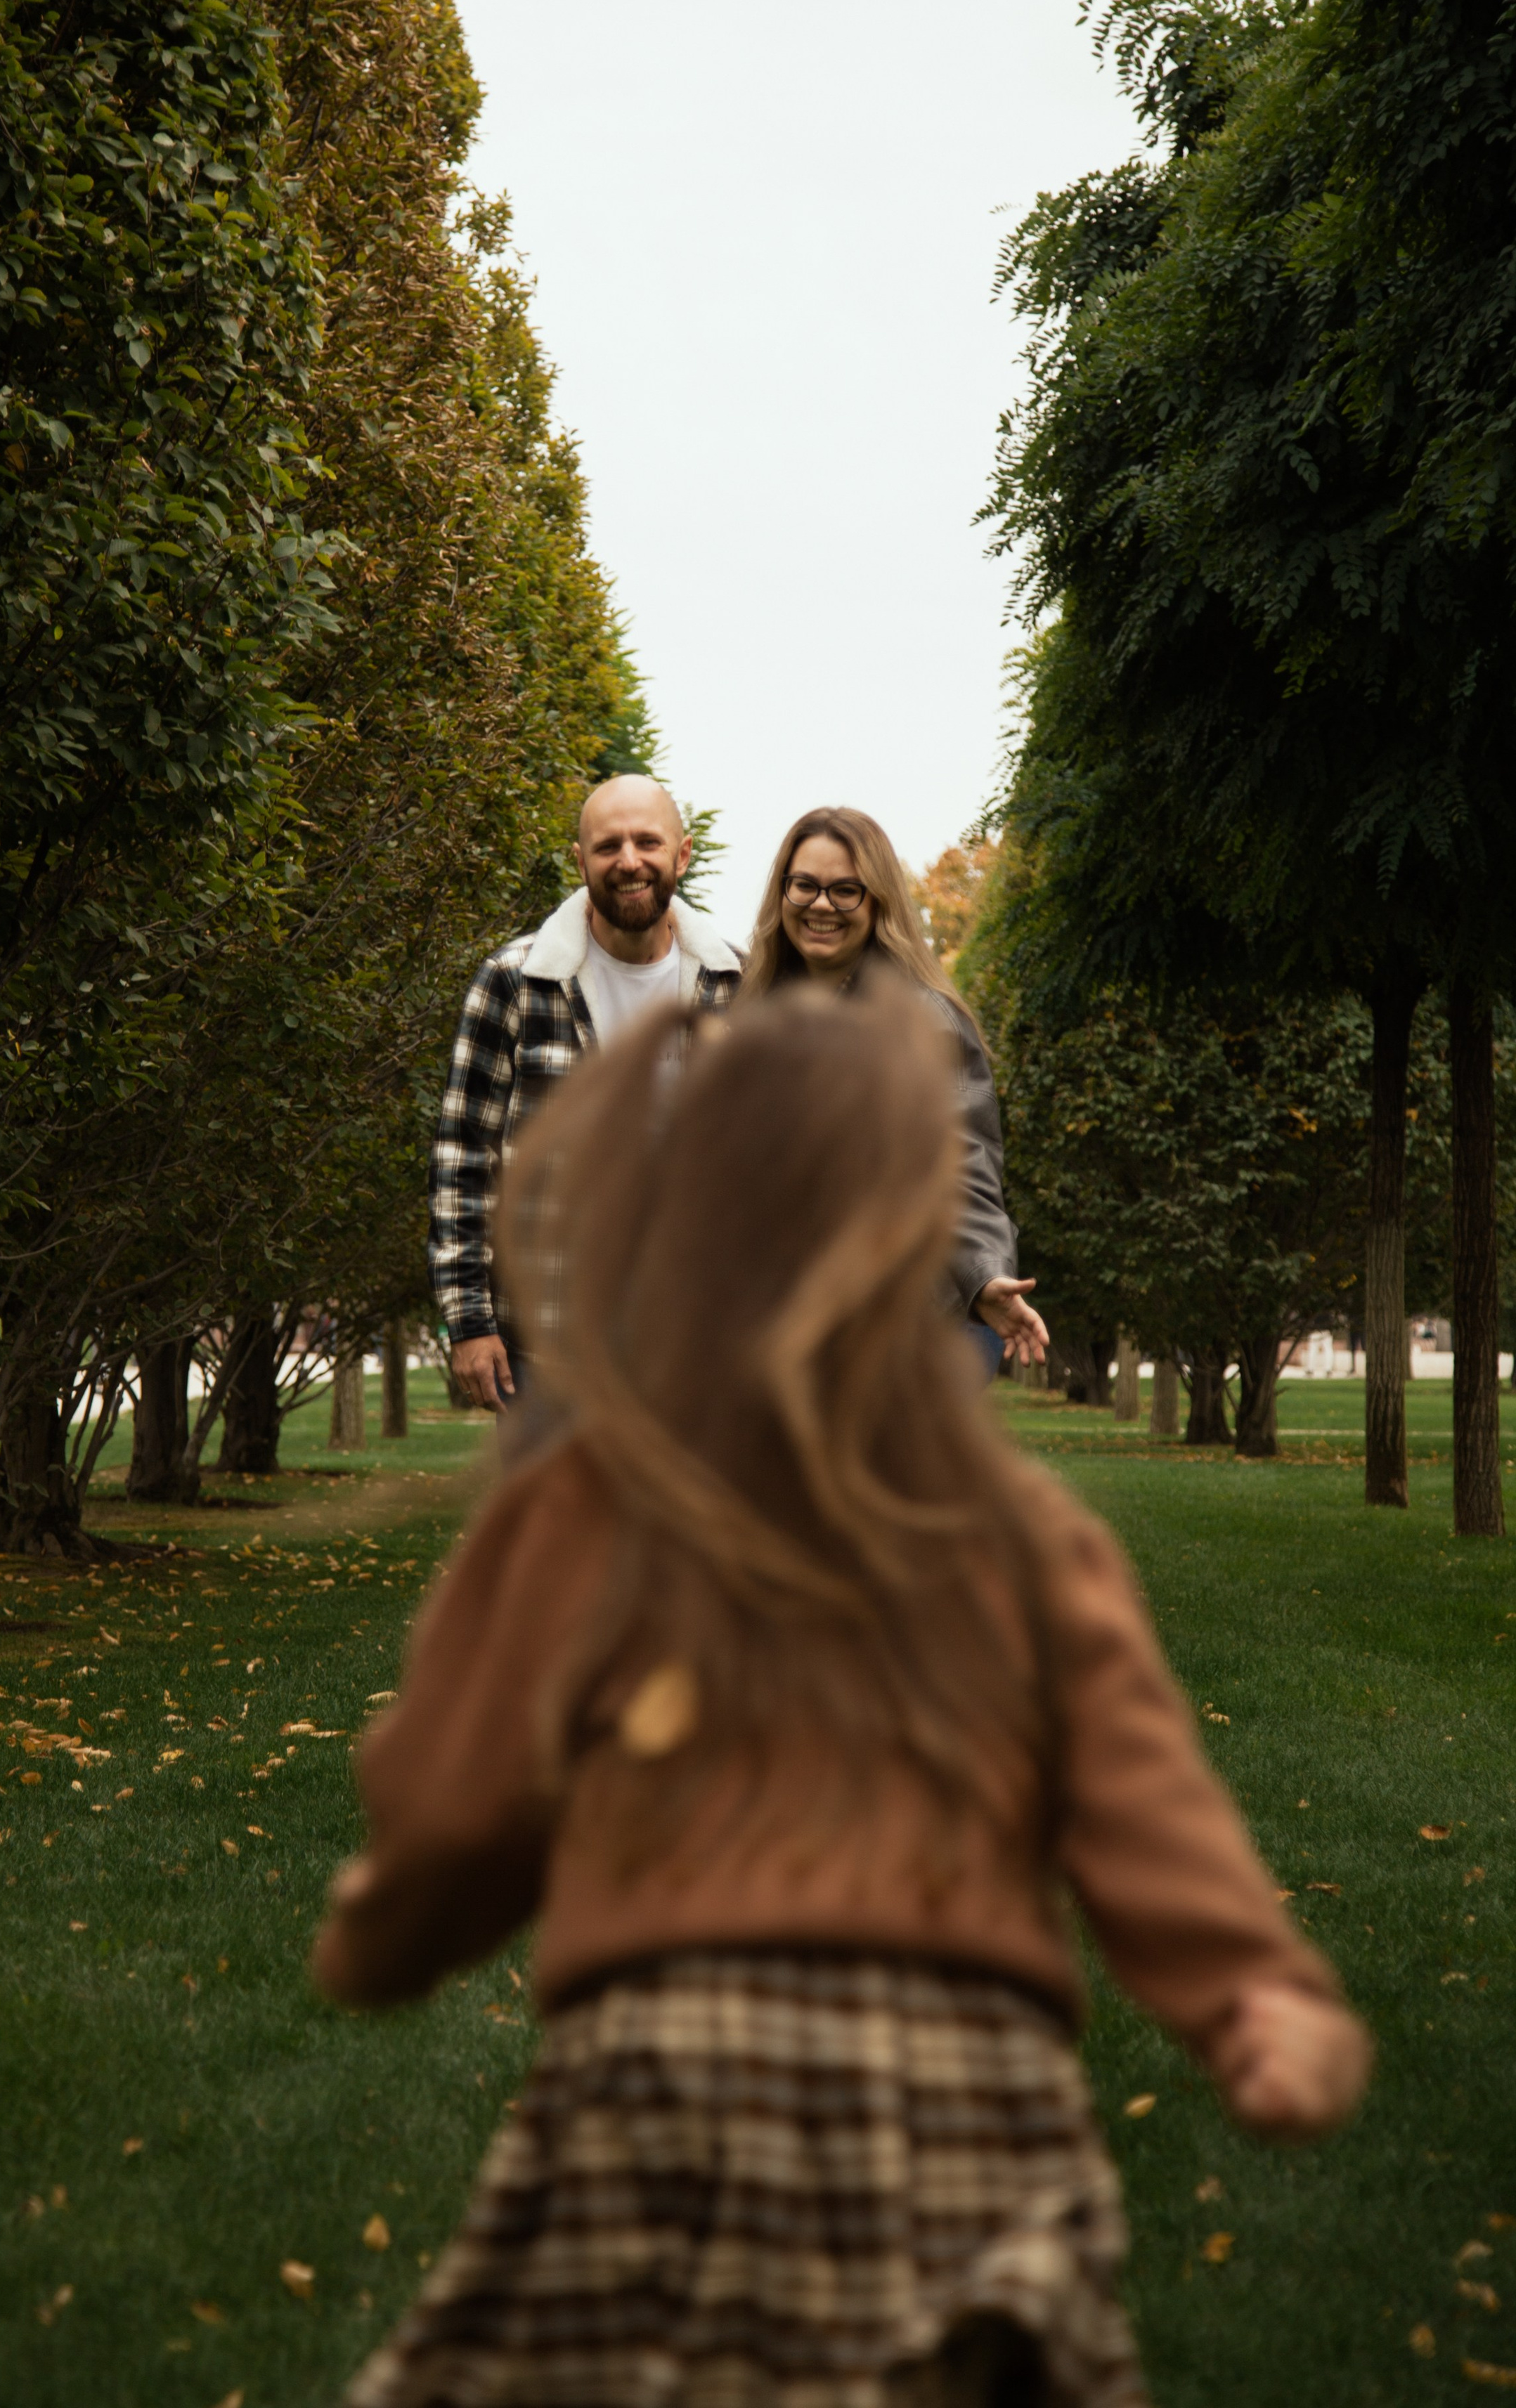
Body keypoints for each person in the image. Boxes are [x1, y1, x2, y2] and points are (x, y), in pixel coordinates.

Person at [318, 984, 1370, 2408]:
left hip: (662, 2088)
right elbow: (1139, 1806)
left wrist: (383, 1933)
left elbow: (453, 1800)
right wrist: (1249, 1992)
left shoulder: (584, 1504)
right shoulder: (1016, 1534)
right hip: (969, 2101)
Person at [429, 774, 740, 1410]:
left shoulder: (740, 982)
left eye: (648, 842)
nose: (629, 861)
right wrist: (470, 1322)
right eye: (608, 846)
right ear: (581, 861)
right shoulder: (515, 982)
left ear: (681, 855)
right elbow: (462, 1161)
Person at [744, 804, 1045, 1371]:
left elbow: (965, 1168)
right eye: (805, 885)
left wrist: (985, 1276)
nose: (821, 905)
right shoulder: (756, 1016)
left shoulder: (925, 1021)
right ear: (782, 893)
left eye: (846, 890)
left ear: (877, 900)